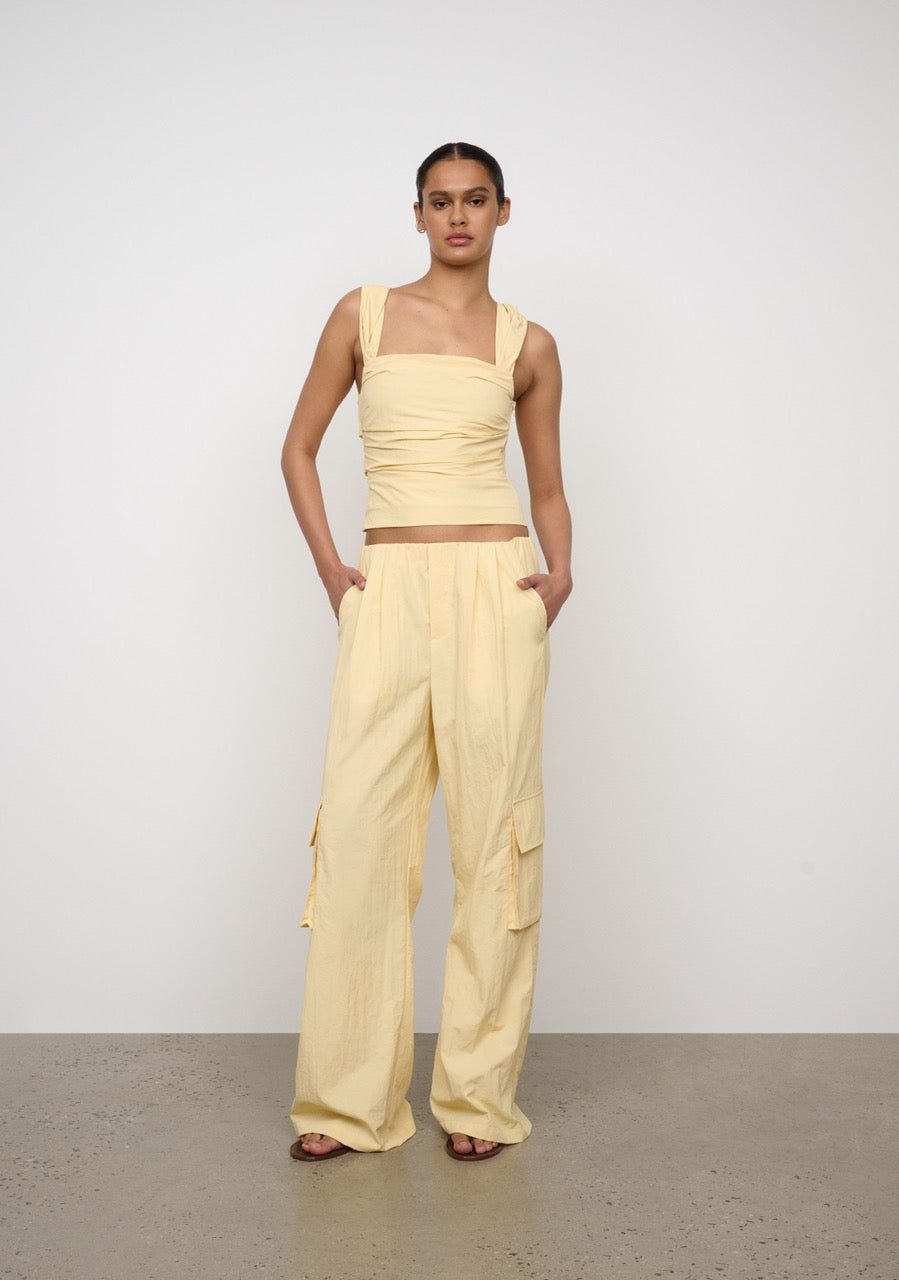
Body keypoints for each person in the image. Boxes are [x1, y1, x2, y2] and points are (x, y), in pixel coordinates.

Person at [281, 141, 572, 1162]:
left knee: (494, 841)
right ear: (416, 215)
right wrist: (332, 568)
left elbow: (546, 483)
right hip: (389, 585)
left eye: (475, 200)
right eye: (440, 201)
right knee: (362, 837)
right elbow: (298, 446)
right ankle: (344, 1102)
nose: (457, 216)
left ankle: (477, 1098)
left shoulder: (528, 343)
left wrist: (561, 574)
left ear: (502, 212)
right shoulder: (360, 315)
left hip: (496, 586)